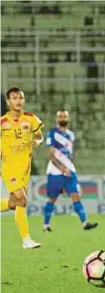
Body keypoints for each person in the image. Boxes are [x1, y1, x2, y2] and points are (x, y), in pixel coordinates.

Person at [0, 87, 42, 249]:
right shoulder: (2, 122)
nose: (18, 101)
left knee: (14, 203)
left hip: (25, 168)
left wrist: (36, 142)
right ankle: (26, 239)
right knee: (22, 200)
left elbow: (39, 137)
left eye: (20, 98)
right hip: (9, 167)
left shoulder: (32, 119)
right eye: (14, 98)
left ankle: (26, 240)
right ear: (8, 102)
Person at [42, 109, 98, 231]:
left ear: (68, 119)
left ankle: (85, 223)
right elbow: (50, 154)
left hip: (69, 171)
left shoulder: (71, 135)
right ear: (57, 119)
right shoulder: (52, 133)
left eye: (64, 116)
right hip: (55, 172)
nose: (62, 118)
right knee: (52, 198)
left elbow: (69, 154)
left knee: (76, 196)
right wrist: (62, 168)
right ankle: (46, 225)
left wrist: (69, 167)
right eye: (60, 116)